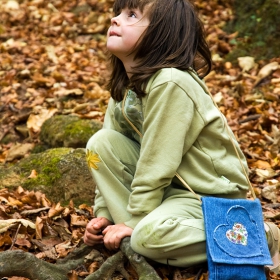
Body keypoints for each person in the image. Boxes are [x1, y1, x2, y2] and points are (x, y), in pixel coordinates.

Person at [84, 0, 280, 273]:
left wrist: (135, 221)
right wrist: (103, 216)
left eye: (131, 15)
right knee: (99, 143)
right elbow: (108, 154)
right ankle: (140, 232)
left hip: (206, 194)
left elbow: (157, 161)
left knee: (146, 237)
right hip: (168, 192)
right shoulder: (125, 88)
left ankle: (256, 233)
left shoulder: (171, 82)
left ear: (161, 33)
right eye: (117, 13)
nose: (116, 19)